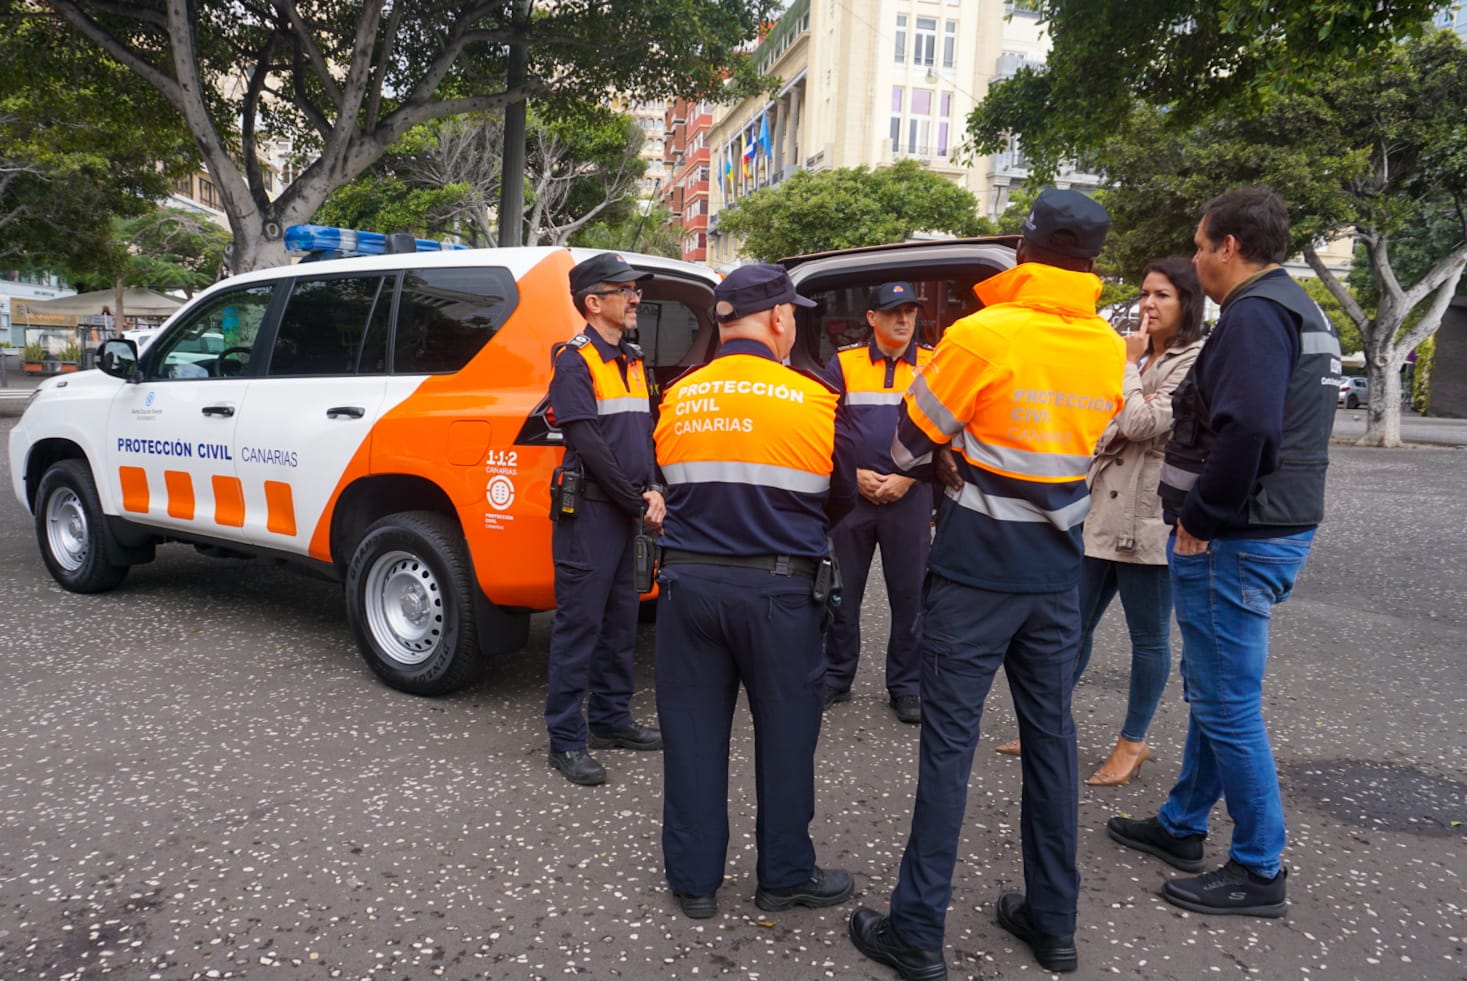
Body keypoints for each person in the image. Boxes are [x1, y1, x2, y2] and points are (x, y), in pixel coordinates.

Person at [847, 189, 1125, 978]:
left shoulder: (981, 334)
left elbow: (905, 445)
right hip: (1055, 572)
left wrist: (947, 454)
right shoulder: (1108, 346)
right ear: (1091, 260)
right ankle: (1052, 921)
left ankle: (917, 931)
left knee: (948, 748)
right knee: (1052, 741)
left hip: (973, 572)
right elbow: (1089, 448)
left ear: (1025, 246)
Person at [1107, 187, 1338, 917]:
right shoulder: (1299, 310)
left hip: (1235, 537)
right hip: (1270, 529)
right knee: (1213, 688)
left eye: (1201, 245)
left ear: (1227, 246)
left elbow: (1248, 433)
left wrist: (1200, 518)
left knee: (1225, 702)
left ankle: (1256, 867)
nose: (1198, 256)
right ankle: (1181, 823)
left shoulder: (1254, 317)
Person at [653, 263, 857, 921]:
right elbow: (842, 494)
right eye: (791, 313)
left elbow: (669, 482)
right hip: (778, 591)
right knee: (787, 735)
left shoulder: (679, 393)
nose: (792, 321)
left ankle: (694, 883)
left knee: (691, 735)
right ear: (775, 318)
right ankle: (783, 876)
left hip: (686, 587)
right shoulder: (815, 396)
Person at [991, 258, 1207, 785]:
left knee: (1148, 637)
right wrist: (1130, 398)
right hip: (1100, 512)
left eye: (1162, 296)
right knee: (1071, 626)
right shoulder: (1137, 357)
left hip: (1150, 517)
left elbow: (1138, 421)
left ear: (1187, 303)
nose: (1148, 305)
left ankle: (1133, 743)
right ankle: (1046, 722)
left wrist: (1127, 370)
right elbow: (1100, 423)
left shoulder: (1194, 358)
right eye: (1144, 293)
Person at [543, 252, 665, 787]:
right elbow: (588, 444)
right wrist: (639, 503)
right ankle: (566, 739)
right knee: (579, 626)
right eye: (625, 290)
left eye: (635, 290)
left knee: (620, 623)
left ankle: (612, 721)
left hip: (627, 509)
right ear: (594, 303)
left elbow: (648, 436)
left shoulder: (633, 359)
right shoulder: (574, 360)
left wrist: (656, 487)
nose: (635, 297)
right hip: (592, 510)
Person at [821, 282, 934, 724]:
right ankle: (835, 676)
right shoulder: (845, 363)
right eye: (893, 312)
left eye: (909, 312)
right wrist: (850, 475)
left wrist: (909, 477)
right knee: (841, 593)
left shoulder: (932, 363)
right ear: (872, 318)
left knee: (910, 597)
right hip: (854, 497)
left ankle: (906, 685)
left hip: (909, 495)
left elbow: (947, 430)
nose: (903, 320)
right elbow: (825, 427)